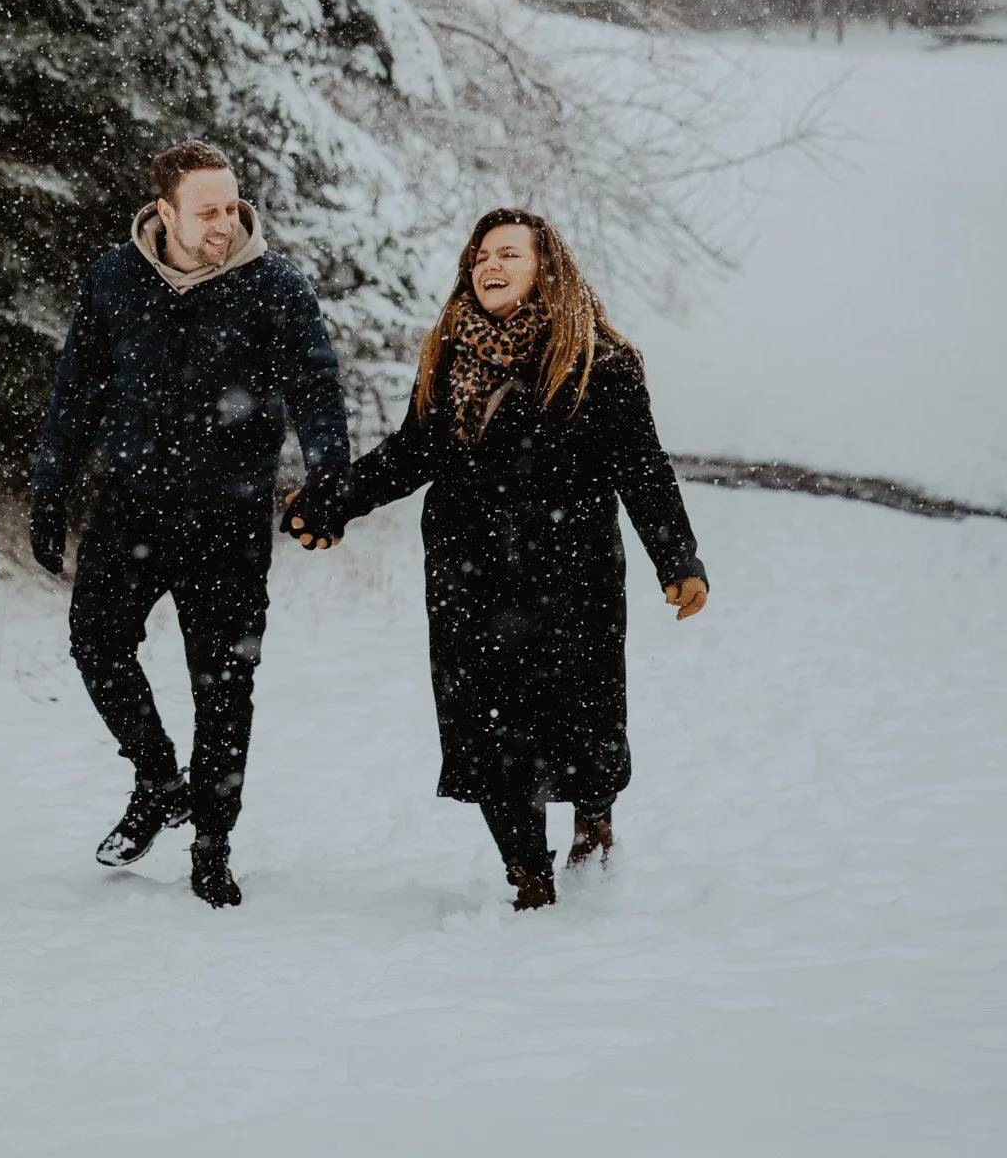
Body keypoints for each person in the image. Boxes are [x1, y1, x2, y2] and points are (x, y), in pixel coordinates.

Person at [283, 207, 708, 910]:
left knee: (581, 722)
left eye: (510, 254)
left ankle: (594, 816)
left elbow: (641, 467)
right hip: (468, 577)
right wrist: (334, 501)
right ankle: (527, 876)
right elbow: (412, 452)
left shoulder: (596, 361)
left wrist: (677, 559)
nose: (490, 265)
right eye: (481, 255)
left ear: (547, 269)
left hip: (570, 578)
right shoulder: (451, 358)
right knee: (486, 727)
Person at [28, 141, 350, 907]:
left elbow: (315, 384)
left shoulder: (273, 286)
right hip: (131, 502)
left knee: (224, 683)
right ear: (164, 212)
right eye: (206, 209)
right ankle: (156, 780)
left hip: (229, 517)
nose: (223, 220)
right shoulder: (115, 278)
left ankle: (212, 842)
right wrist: (50, 490)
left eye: (232, 205)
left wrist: (329, 477)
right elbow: (78, 388)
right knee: (96, 643)